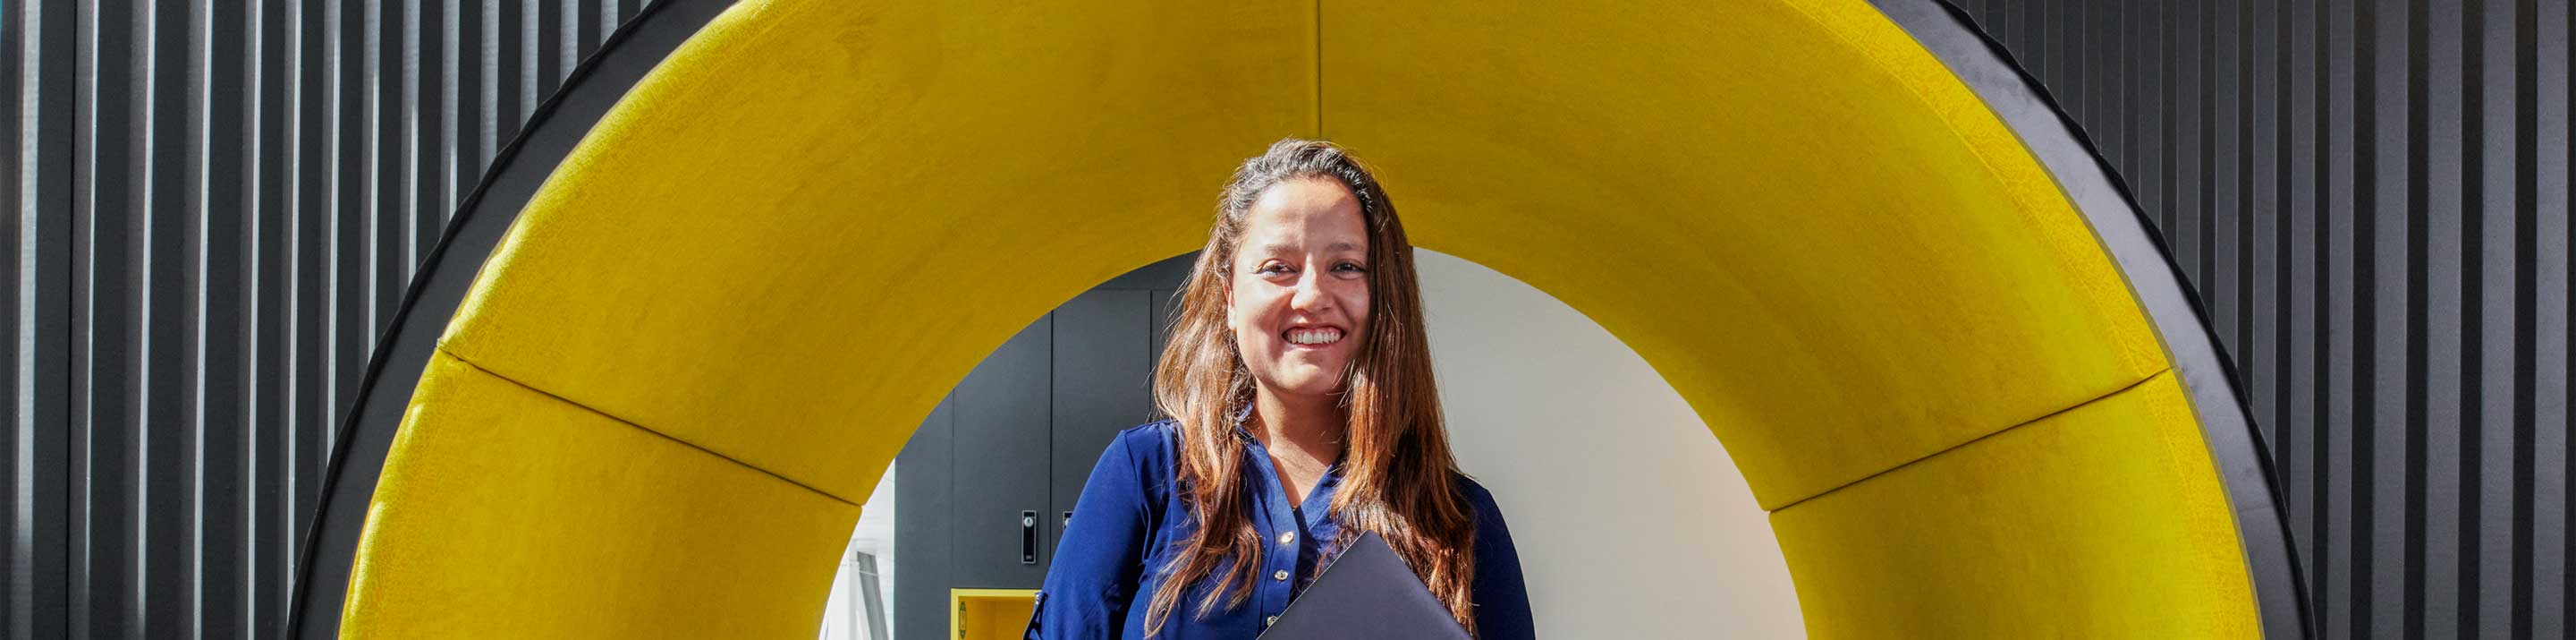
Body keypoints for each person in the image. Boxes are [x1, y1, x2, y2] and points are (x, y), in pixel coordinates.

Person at [1023, 139, 1535, 639]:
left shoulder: (1459, 516)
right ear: (1228, 297)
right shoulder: (1146, 473)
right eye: (1278, 269)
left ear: (1382, 297)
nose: (1312, 295)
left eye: (1346, 267)